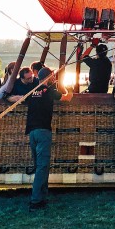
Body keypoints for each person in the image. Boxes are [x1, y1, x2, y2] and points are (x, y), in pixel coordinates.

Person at [25, 67, 73, 211]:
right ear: (49, 77)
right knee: (42, 166)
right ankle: (36, 200)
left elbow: (17, 98)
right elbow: (67, 97)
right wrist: (68, 88)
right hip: (43, 131)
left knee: (40, 166)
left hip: (32, 132)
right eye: (52, 76)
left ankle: (42, 196)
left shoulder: (32, 91)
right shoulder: (49, 91)